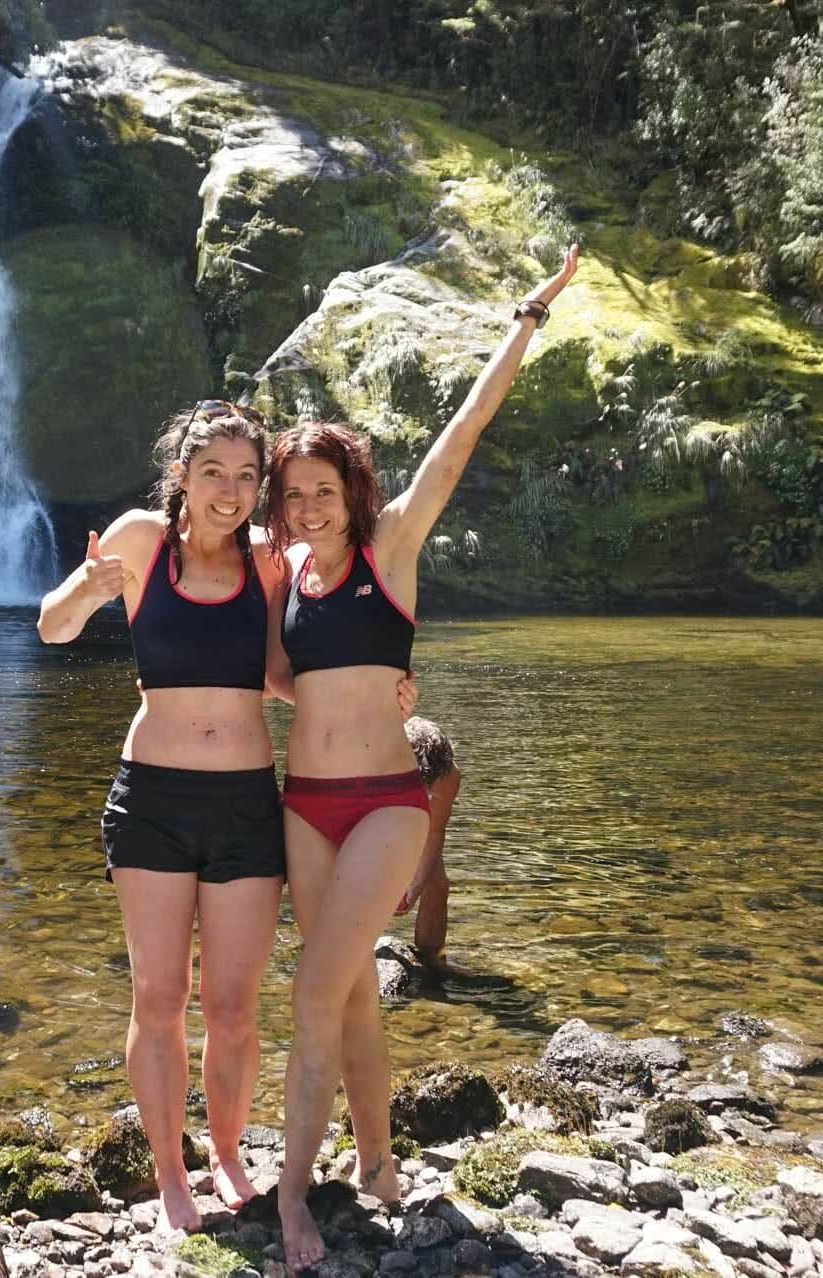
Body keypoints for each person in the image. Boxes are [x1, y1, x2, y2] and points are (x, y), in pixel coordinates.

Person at [264, 244, 581, 1269]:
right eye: (294, 495)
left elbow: (462, 437)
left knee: (318, 989)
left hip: (387, 803)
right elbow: (276, 678)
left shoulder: (389, 550)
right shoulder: (291, 578)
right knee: (350, 989)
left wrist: (525, 320)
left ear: (354, 490)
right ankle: (377, 1162)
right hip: (303, 800)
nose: (309, 507)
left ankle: (293, 1204)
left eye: (324, 490)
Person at [37, 401, 285, 1231]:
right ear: (180, 474)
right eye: (213, 472)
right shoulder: (142, 538)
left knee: (235, 1004)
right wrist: (87, 587)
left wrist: (373, 689)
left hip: (248, 803)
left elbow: (285, 676)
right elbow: (53, 629)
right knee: (158, 997)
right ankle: (170, 1170)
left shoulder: (268, 559)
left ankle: (226, 1150)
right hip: (152, 798)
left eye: (247, 476)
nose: (231, 490)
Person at [395, 716, 462, 973]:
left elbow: (434, 832)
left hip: (416, 824)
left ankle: (428, 960)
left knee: (437, 882)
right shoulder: (380, 762)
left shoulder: (450, 775)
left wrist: (414, 889)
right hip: (370, 815)